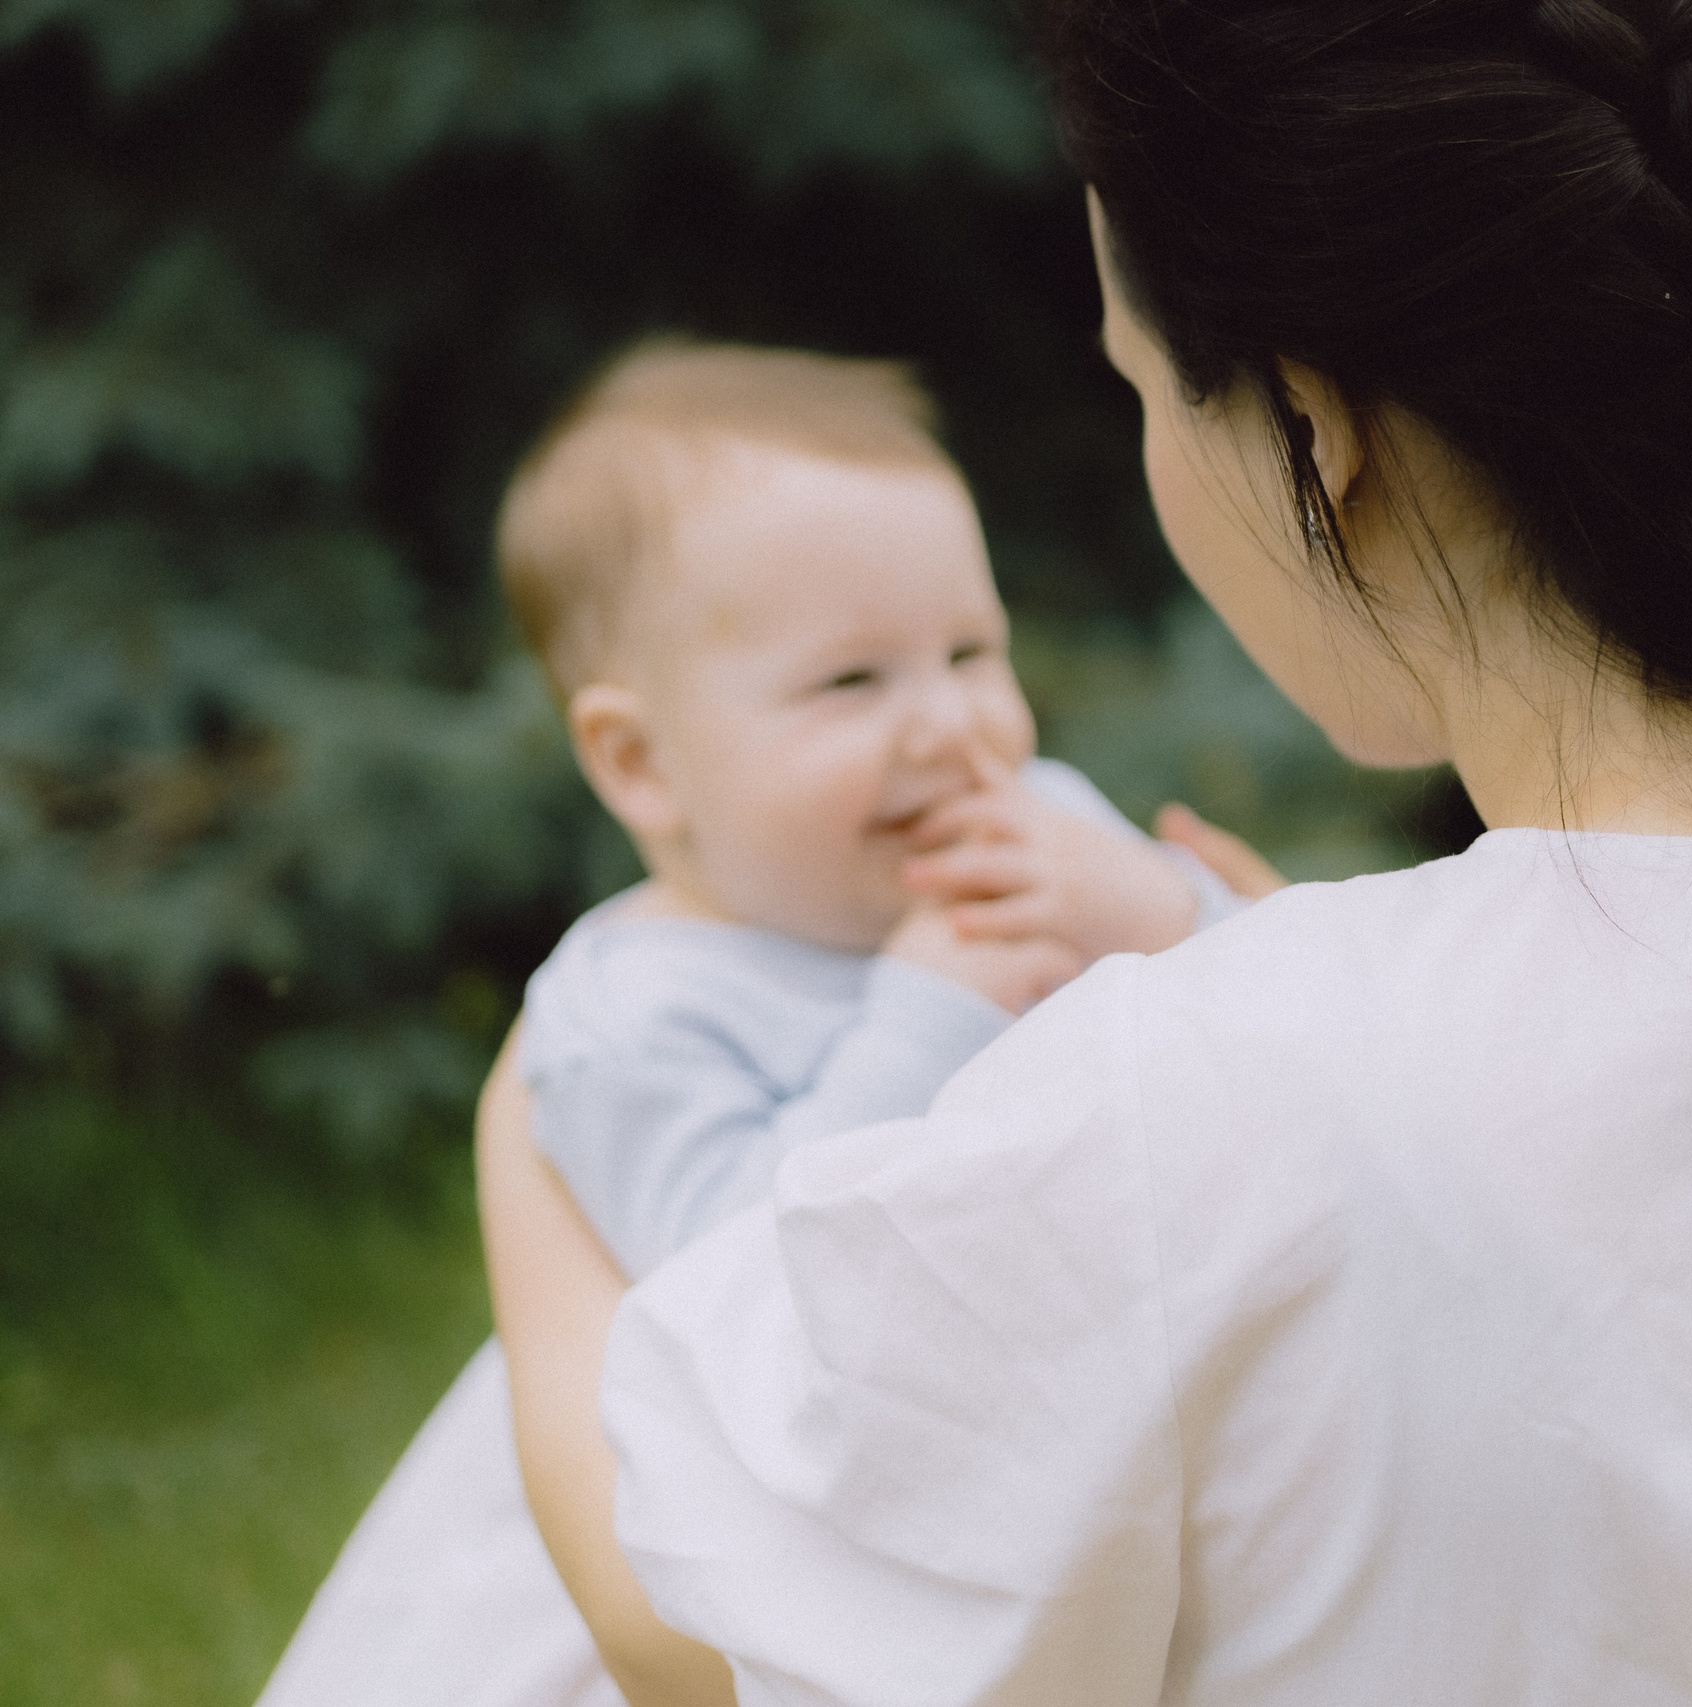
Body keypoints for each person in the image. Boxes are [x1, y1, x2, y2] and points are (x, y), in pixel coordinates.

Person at [483, 5, 1692, 1705]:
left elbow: (695, 1635)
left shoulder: (1209, 1104)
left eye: (1145, 388)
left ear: (1314, 428)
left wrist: (536, 1116)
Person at [259, 338, 1251, 1707]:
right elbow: (737, 1304)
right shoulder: (632, 1010)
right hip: (702, 1570)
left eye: (972, 650)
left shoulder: (1048, 834)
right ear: (640, 761)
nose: (954, 724)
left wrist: (1163, 903)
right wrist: (928, 1012)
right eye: (854, 683)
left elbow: (1282, 1037)